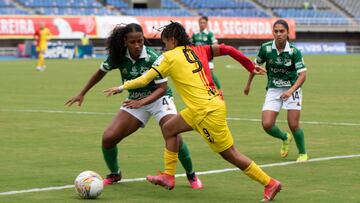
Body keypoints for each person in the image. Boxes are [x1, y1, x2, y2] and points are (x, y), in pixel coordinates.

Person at [104, 22, 282, 201]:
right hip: (206, 106)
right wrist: (249, 66)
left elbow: (145, 79)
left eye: (165, 43)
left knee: (230, 154)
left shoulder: (168, 57)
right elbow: (227, 49)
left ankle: (269, 183)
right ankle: (168, 176)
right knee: (169, 128)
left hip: (205, 112)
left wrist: (122, 87)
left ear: (172, 40)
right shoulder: (200, 50)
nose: (163, 47)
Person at [65, 23, 202, 189]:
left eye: (140, 41)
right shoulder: (117, 56)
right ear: (125, 41)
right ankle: (115, 173)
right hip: (135, 100)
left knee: (172, 132)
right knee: (108, 138)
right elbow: (100, 72)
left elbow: (162, 88)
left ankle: (191, 175)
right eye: (133, 42)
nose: (137, 45)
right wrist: (82, 93)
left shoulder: (153, 57)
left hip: (160, 99)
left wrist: (142, 102)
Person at [243, 19, 308, 162]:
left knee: (293, 124)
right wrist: (248, 85)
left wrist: (290, 91)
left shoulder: (294, 51)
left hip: (292, 89)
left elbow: (303, 75)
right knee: (267, 124)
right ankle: (285, 137)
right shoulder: (266, 48)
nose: (278, 34)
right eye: (276, 31)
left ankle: (303, 153)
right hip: (274, 89)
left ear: (287, 33)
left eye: (282, 31)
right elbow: (255, 66)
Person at [192, 16, 223, 97]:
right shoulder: (195, 34)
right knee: (198, 74)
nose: (202, 24)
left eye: (204, 23)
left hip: (207, 57)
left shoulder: (209, 34)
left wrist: (212, 50)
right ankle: (202, 90)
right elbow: (191, 44)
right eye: (200, 22)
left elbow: (215, 43)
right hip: (197, 58)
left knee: (211, 73)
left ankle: (219, 89)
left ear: (206, 24)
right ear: (198, 23)